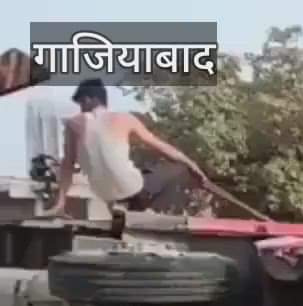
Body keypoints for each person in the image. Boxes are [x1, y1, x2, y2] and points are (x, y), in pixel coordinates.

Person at [47, 78, 209, 216]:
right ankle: (155, 211)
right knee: (179, 168)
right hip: (132, 188)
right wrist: (192, 165)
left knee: (127, 171)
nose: (81, 109)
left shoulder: (73, 123)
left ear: (92, 99)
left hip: (102, 192)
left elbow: (67, 164)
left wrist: (61, 203)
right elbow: (161, 146)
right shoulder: (125, 118)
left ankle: (122, 208)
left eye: (82, 103)